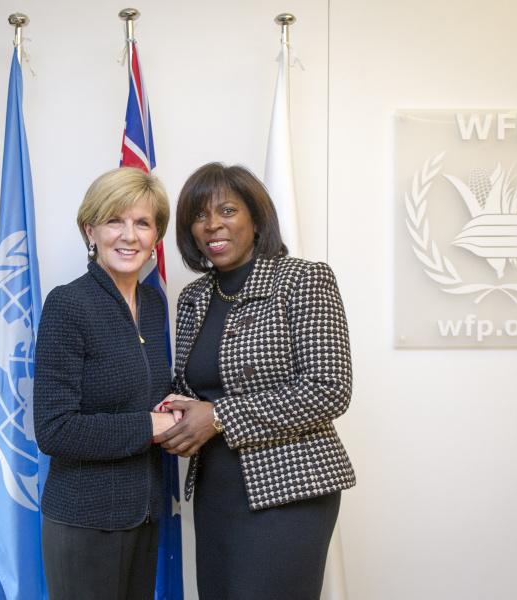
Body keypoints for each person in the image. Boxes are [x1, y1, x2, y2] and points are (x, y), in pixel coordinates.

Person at [154, 163, 355, 599]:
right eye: (199, 215)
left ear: (257, 217)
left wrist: (221, 416)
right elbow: (192, 389)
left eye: (227, 210)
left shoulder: (302, 279)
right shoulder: (193, 298)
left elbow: (329, 388)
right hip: (216, 492)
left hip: (289, 490)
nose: (212, 226)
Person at [34, 167, 176, 600]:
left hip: (144, 515)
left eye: (143, 223)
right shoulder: (67, 304)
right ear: (89, 229)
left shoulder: (153, 303)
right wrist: (149, 427)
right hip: (84, 521)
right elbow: (54, 429)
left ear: (156, 236)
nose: (129, 235)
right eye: (116, 220)